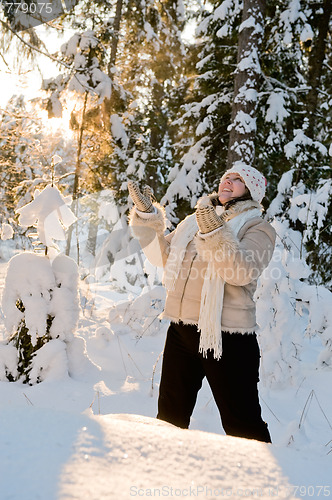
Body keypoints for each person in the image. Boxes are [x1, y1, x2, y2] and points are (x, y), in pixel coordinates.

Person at [128, 165, 276, 443]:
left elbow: (240, 272)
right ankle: (162, 470)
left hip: (228, 337)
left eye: (238, 181)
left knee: (242, 423)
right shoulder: (195, 220)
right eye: (226, 178)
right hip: (182, 332)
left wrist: (215, 233)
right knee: (169, 417)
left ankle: (262, 480)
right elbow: (162, 257)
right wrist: (148, 218)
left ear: (252, 191)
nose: (228, 182)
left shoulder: (258, 227)